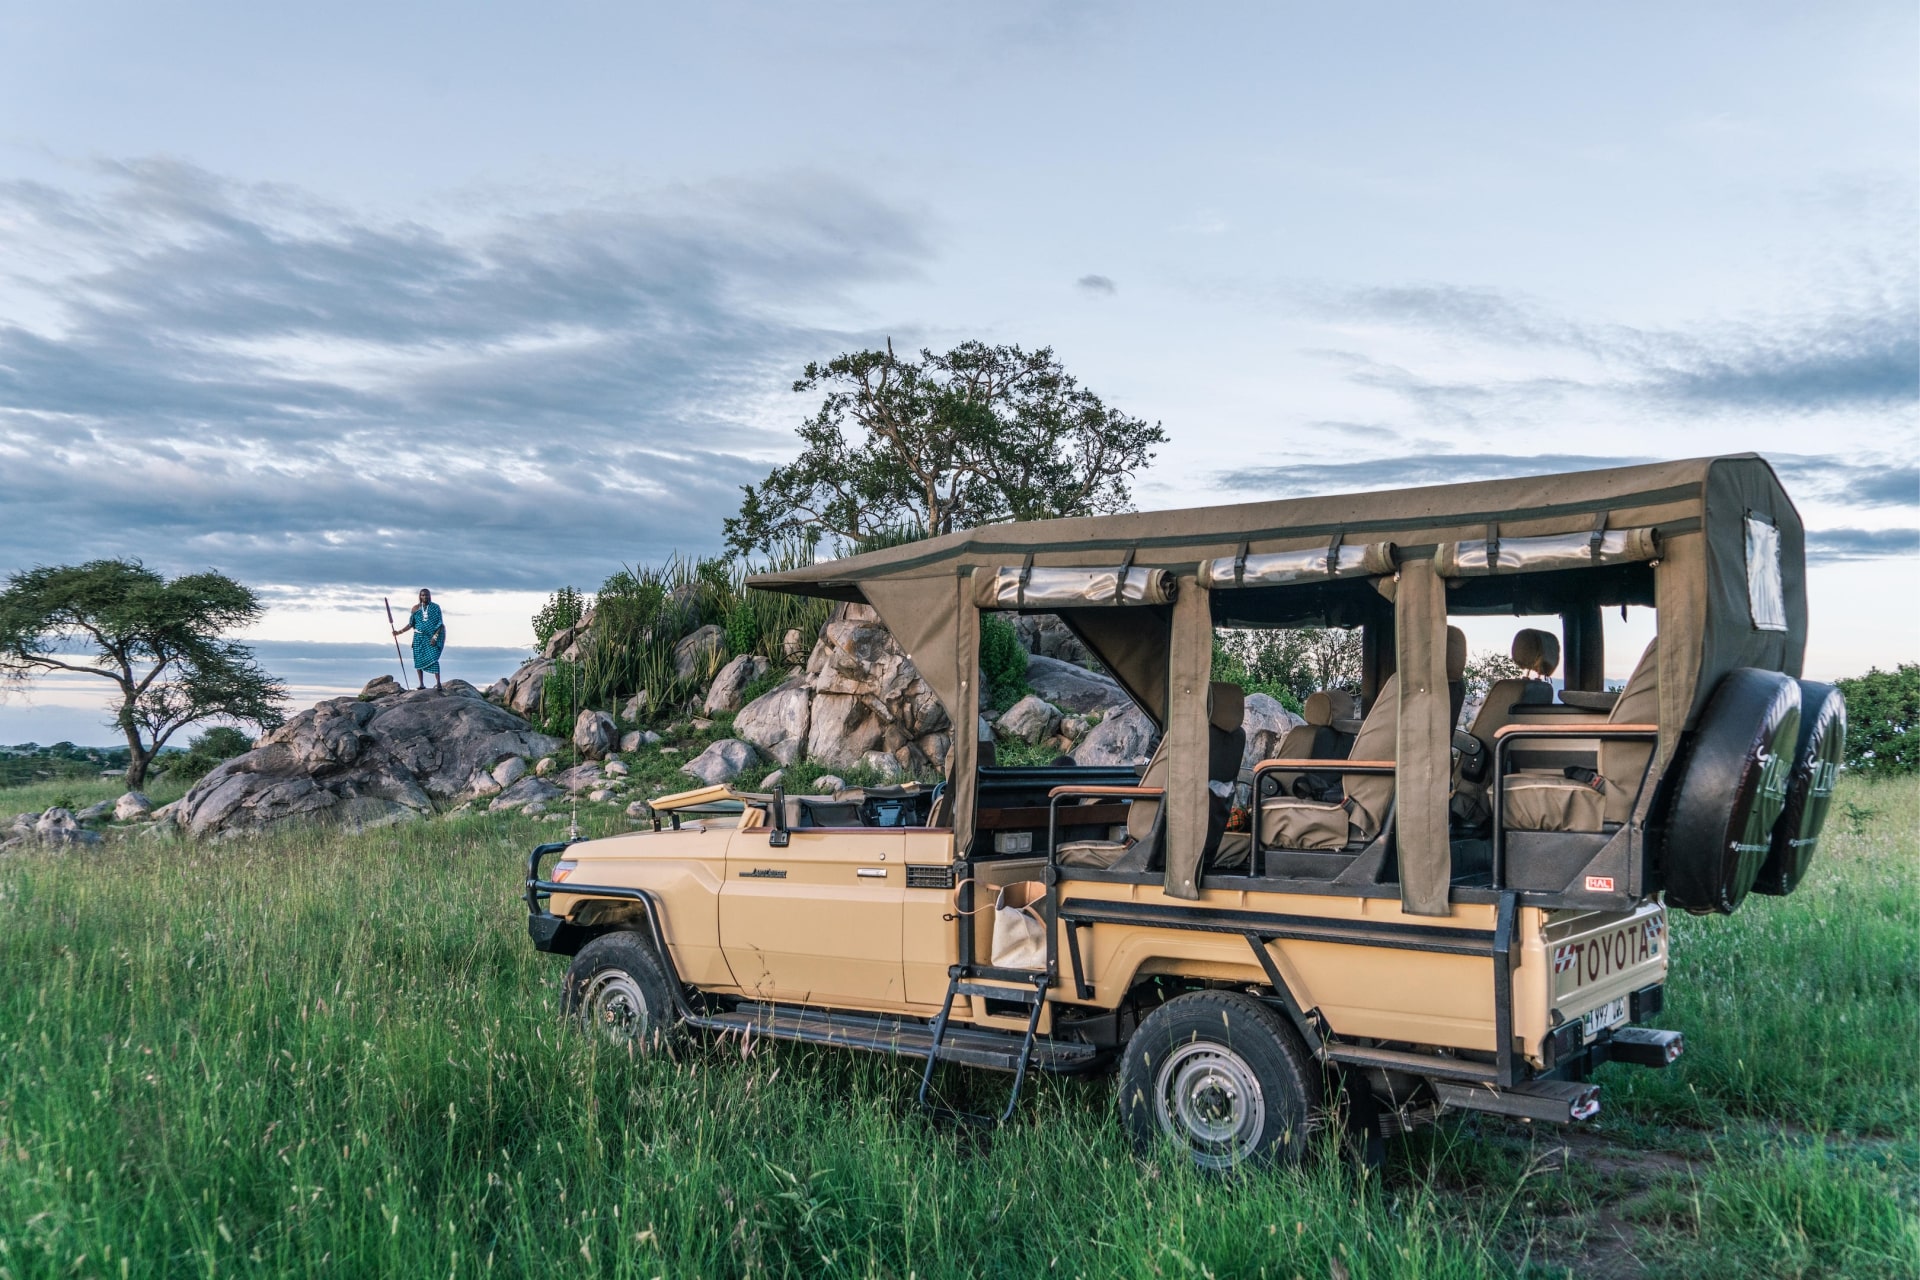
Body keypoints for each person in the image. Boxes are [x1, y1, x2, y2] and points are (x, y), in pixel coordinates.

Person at [393, 588, 445, 690]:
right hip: (418, 638)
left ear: (430, 596)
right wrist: (399, 632)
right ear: (420, 596)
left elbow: (440, 624)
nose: (425, 597)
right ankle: (421, 684)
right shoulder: (415, 608)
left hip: (431, 638)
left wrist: (435, 637)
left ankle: (438, 683)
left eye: (427, 595)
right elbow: (411, 624)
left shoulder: (435, 607)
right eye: (423, 595)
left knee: (434, 659)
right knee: (418, 661)